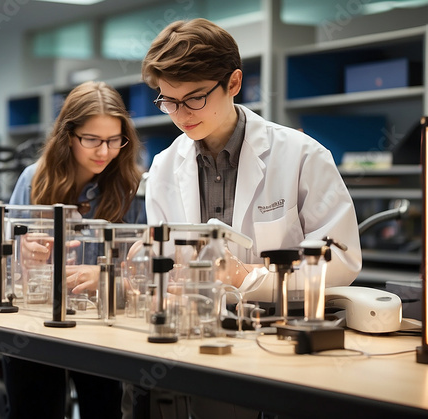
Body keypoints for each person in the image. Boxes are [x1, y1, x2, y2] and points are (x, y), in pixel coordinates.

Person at [140, 18, 362, 417]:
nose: (180, 114)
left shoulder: (302, 155)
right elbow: (167, 265)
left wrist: (247, 277)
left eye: (194, 98)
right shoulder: (163, 167)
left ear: (234, 83)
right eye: (168, 101)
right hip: (200, 343)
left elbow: (341, 262)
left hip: (283, 343)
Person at [3, 81, 145, 419]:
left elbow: (144, 270)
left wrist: (108, 276)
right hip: (37, 324)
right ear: (68, 136)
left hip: (104, 328)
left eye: (114, 140)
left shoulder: (132, 188)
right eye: (92, 140)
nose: (104, 151)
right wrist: (22, 253)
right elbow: (4, 257)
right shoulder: (33, 179)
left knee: (105, 409)